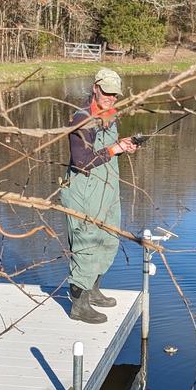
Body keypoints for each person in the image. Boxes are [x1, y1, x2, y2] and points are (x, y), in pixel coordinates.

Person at [61, 68, 138, 324]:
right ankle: (79, 305)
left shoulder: (109, 116)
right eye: (106, 92)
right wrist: (114, 149)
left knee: (108, 239)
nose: (110, 98)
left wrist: (123, 145)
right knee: (86, 245)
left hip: (107, 190)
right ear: (95, 87)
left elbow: (106, 151)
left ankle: (92, 290)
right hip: (83, 191)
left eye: (115, 94)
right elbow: (81, 161)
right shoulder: (81, 119)